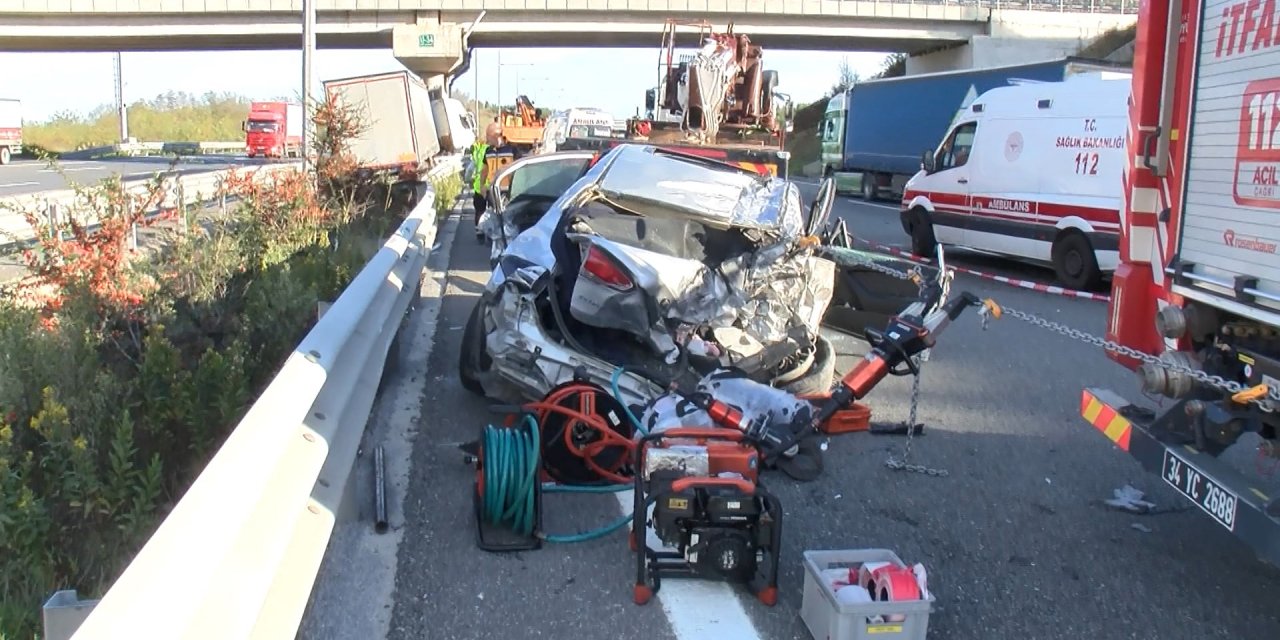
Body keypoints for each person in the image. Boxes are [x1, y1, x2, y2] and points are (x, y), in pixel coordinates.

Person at [475, 121, 517, 242]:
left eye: (488, 136)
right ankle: (497, 244)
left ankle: (507, 243)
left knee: (508, 219)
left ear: (495, 136)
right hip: (493, 191)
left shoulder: (511, 150)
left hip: (508, 191)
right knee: (496, 220)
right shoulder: (488, 151)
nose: (487, 139)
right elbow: (484, 170)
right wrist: (482, 186)